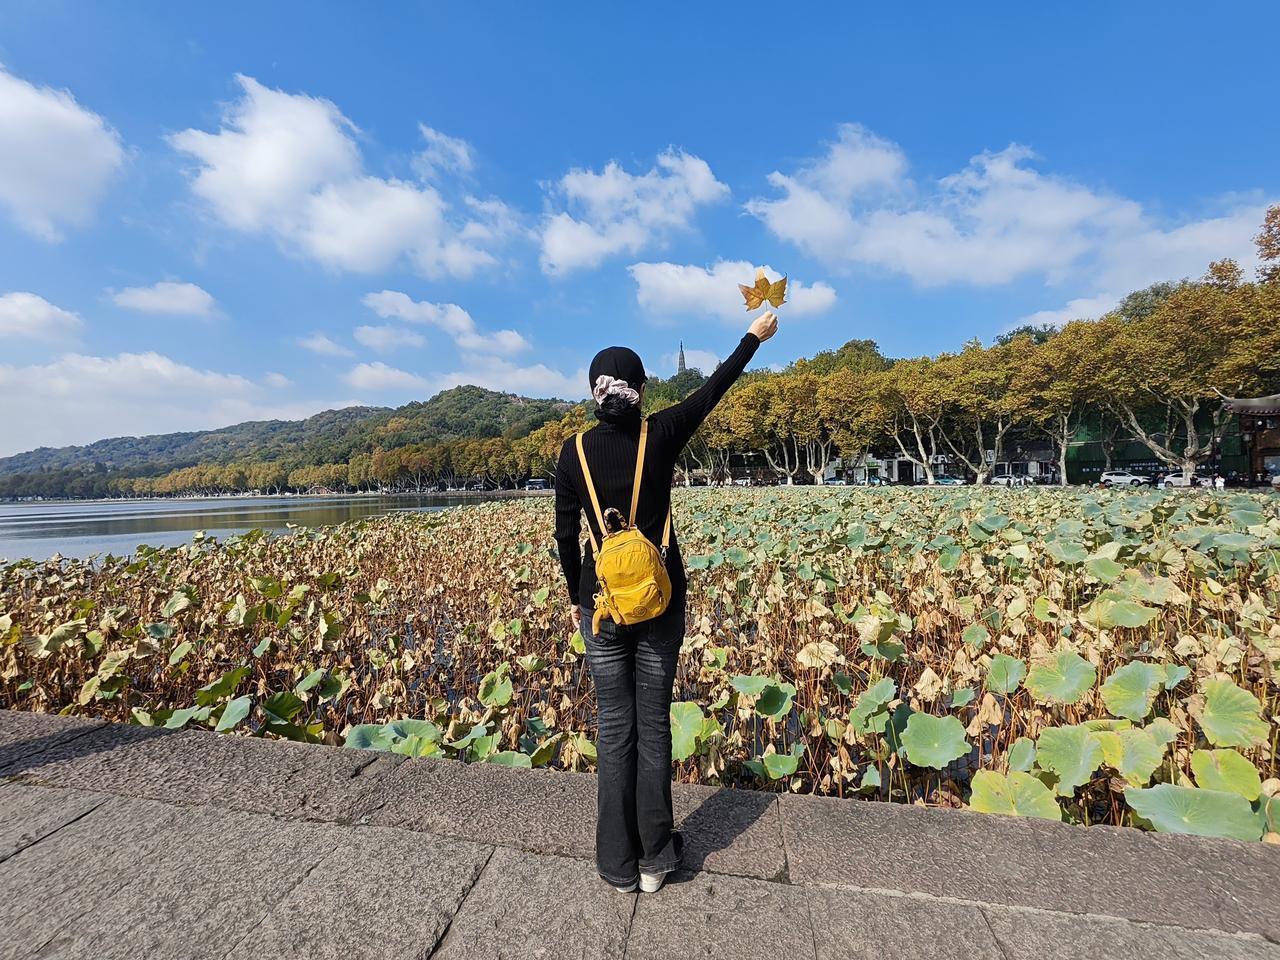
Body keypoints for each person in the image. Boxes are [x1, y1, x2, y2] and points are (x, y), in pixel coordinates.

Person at [554, 310, 778, 894]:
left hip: (599, 606)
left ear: (592, 393)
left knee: (614, 730)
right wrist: (752, 337)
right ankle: (657, 857)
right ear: (644, 389)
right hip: (660, 603)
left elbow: (565, 536)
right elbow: (715, 387)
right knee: (653, 727)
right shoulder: (663, 432)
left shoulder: (570, 452)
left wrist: (581, 593)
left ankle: (616, 864)